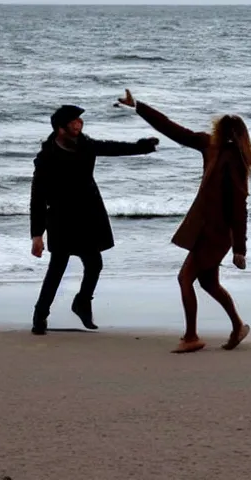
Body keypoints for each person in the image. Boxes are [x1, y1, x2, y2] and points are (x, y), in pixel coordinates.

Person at [117, 89, 251, 353]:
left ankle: (192, 336)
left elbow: (239, 209)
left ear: (224, 132)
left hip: (216, 234)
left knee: (185, 278)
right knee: (208, 283)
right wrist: (139, 107)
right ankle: (238, 326)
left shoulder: (233, 162)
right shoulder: (210, 146)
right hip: (206, 230)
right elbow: (174, 130)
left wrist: (240, 249)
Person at [29, 104, 159, 335]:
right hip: (60, 217)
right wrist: (37, 235)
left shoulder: (85, 145)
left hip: (88, 214)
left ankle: (82, 302)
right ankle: (40, 315)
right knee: (57, 267)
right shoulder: (47, 157)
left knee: (94, 263)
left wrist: (142, 147)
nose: (79, 125)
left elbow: (111, 148)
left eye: (80, 121)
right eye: (74, 122)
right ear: (61, 128)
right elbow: (37, 197)